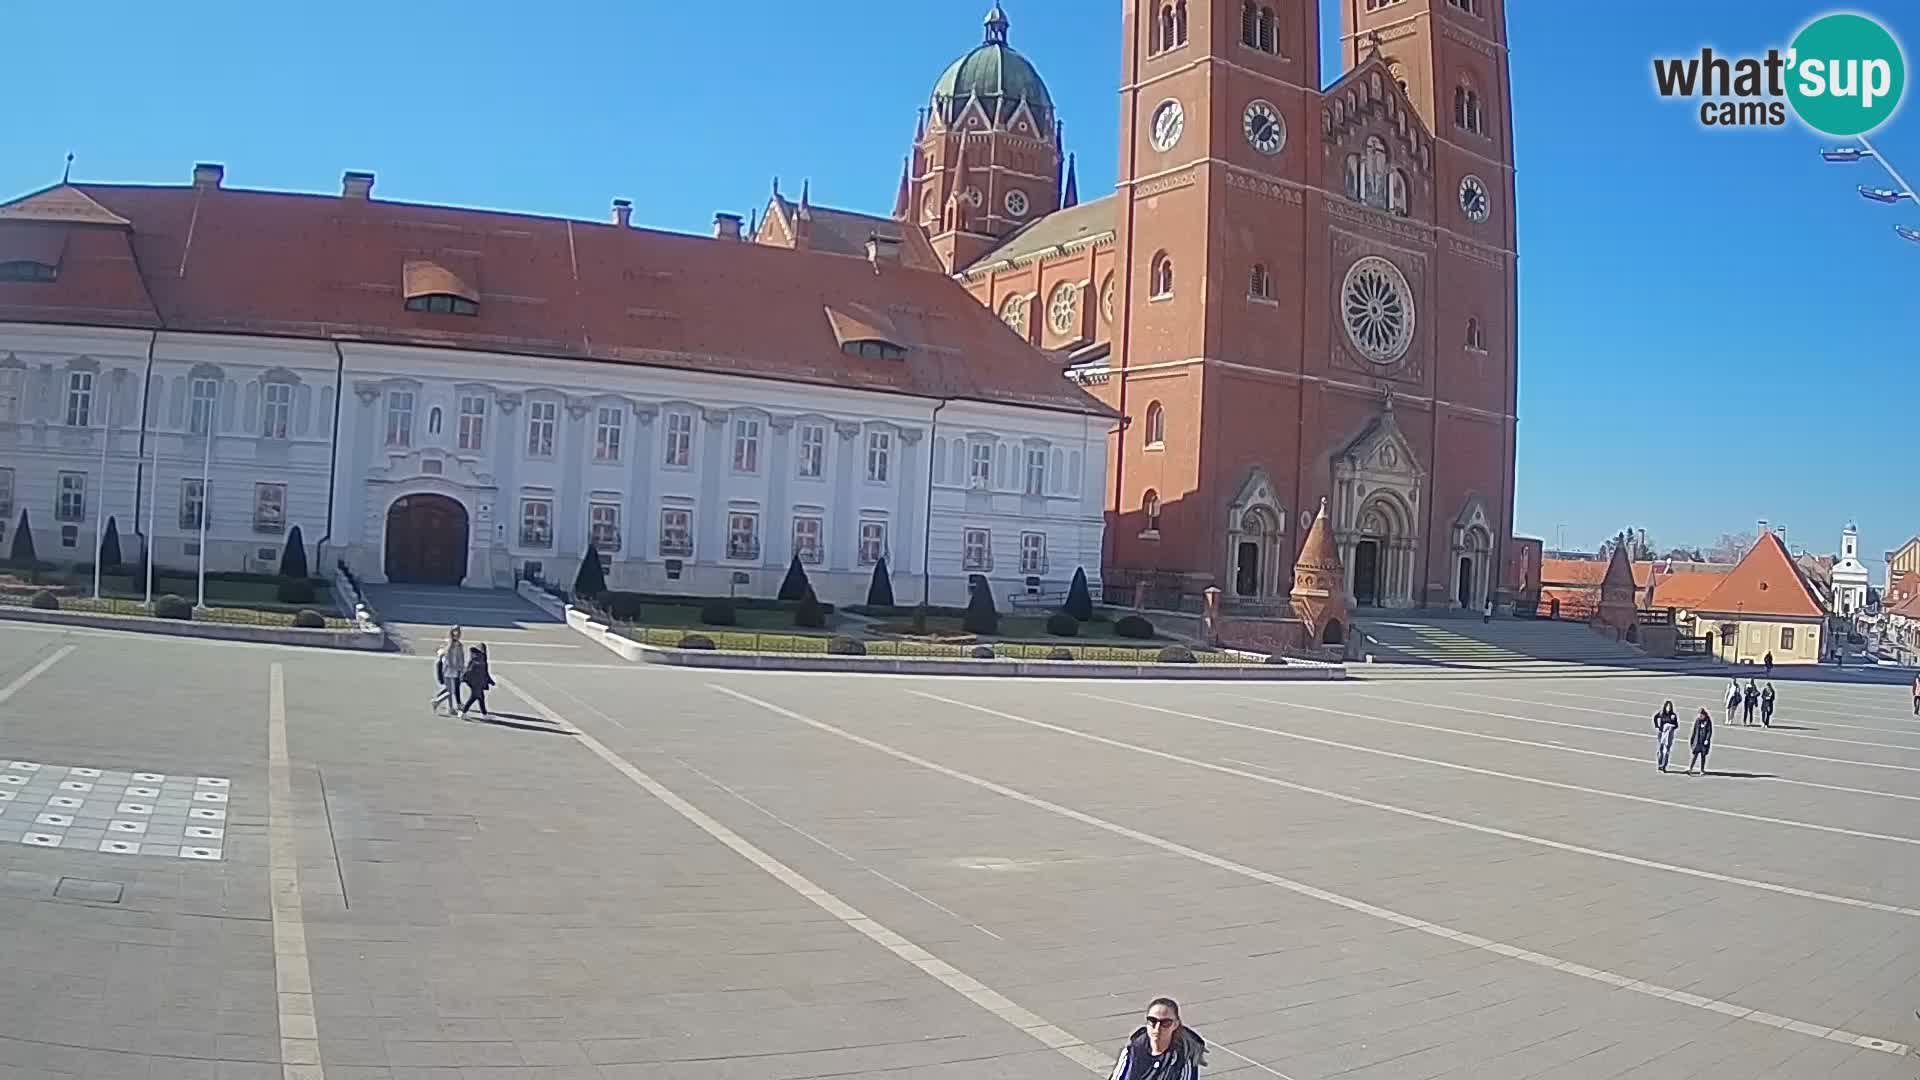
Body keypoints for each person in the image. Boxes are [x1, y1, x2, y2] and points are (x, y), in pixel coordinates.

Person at [1110, 998, 1207, 1080]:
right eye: (1152, 1021)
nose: (1158, 1028)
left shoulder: (1184, 1058)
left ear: (1175, 1025)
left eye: (1166, 1023)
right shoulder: (1132, 1051)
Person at [433, 626, 467, 715]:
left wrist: (461, 667)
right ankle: (437, 701)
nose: (458, 634)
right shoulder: (451, 644)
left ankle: (450, 708)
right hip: (450, 669)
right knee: (451, 691)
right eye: (456, 632)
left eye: (458, 632)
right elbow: (448, 657)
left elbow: (460, 657)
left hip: (451, 669)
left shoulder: (457, 644)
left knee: (449, 689)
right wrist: (459, 668)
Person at [460, 644, 494, 719]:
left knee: (481, 697)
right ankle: (463, 712)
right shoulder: (479, 659)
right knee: (474, 697)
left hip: (475, 682)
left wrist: (489, 680)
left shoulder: (477, 658)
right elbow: (482, 671)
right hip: (476, 683)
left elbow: (484, 671)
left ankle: (484, 714)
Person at [1652, 700, 1680, 772]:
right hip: (1661, 733)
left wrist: (1670, 727)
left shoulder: (1673, 715)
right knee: (1660, 749)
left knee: (1666, 750)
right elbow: (1655, 717)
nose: (1668, 708)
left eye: (1669, 707)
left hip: (1669, 735)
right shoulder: (1661, 713)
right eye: (1667, 707)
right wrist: (1657, 727)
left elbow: (1676, 725)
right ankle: (1659, 765)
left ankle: (1664, 766)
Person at [1688, 707, 1713, 775]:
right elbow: (1694, 730)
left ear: (1704, 715)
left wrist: (1707, 739)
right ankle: (1690, 768)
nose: (1700, 716)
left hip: (1704, 742)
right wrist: (1692, 739)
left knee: (1703, 756)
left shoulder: (1708, 721)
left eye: (1701, 715)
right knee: (1695, 755)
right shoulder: (1697, 720)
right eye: (1699, 715)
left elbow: (1709, 731)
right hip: (1697, 741)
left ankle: (1702, 769)